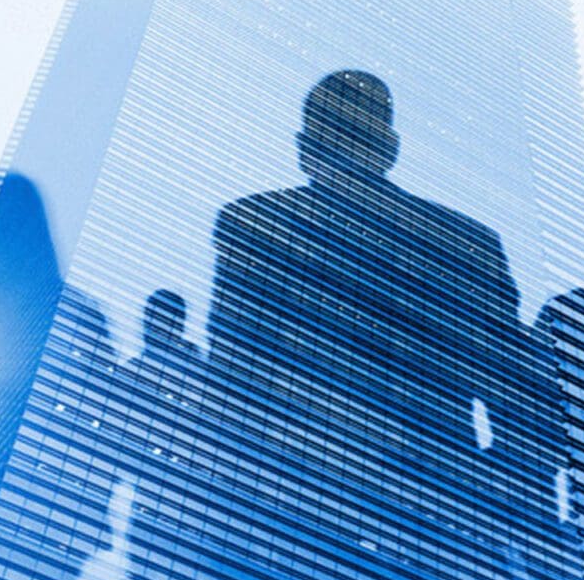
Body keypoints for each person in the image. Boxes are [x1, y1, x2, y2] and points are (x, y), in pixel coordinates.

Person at [205, 71, 520, 436]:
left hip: (283, 460)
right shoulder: (468, 241)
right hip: (426, 471)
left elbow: (230, 363)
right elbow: (510, 389)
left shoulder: (255, 222)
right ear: (391, 148)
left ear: (304, 149)